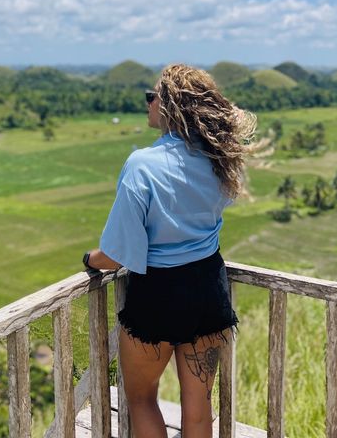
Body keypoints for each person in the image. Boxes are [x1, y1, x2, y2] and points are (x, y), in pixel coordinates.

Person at [83, 63, 258, 438]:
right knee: (198, 406)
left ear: (169, 106)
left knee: (142, 398)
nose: (147, 103)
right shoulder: (217, 160)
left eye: (152, 97)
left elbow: (115, 255)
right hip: (209, 286)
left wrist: (89, 260)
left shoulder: (142, 165)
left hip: (158, 294)